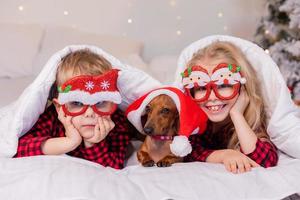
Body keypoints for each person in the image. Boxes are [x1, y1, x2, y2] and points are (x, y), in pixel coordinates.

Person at [14, 49, 134, 169]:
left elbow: (114, 167)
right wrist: (69, 142)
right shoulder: (51, 119)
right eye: (77, 103)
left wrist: (92, 144)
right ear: (59, 107)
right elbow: (16, 148)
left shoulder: (117, 123)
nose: (89, 113)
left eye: (100, 102)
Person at [181, 41, 278, 173]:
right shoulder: (195, 122)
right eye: (202, 88)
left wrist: (237, 115)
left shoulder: (250, 117)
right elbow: (184, 151)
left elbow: (266, 160)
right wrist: (224, 155)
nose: (212, 97)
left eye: (223, 85)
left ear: (242, 87)